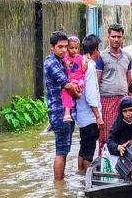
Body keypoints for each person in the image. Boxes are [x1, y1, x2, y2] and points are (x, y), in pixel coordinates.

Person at [44, 31, 79, 180]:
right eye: (60, 47)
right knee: (61, 151)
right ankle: (59, 186)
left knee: (64, 150)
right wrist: (77, 93)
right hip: (60, 113)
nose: (64, 50)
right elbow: (67, 85)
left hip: (66, 113)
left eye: (66, 47)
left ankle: (60, 184)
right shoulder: (51, 62)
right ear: (52, 47)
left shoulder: (61, 61)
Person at [96, 23, 132, 154]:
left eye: (119, 37)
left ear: (123, 38)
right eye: (113, 36)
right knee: (106, 134)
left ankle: (122, 160)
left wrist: (131, 99)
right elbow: (97, 81)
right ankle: (103, 159)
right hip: (106, 100)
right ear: (108, 37)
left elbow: (129, 81)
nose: (116, 40)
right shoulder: (101, 57)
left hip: (123, 100)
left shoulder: (127, 57)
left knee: (123, 133)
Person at [76, 34, 104, 174]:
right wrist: (98, 116)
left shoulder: (82, 64)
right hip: (90, 116)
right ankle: (87, 177)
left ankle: (80, 173)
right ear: (96, 50)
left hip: (81, 116)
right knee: (89, 149)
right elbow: (91, 95)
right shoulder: (91, 68)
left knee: (83, 146)